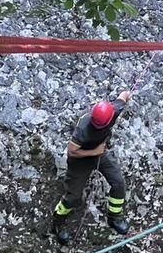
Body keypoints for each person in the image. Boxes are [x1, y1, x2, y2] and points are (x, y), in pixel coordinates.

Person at [52, 90, 132, 244]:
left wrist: (128, 94)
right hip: (80, 160)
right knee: (73, 197)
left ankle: (114, 217)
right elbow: (73, 151)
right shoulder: (84, 127)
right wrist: (94, 151)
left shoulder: (113, 111)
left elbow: (123, 97)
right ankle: (58, 222)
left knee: (118, 182)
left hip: (100, 154)